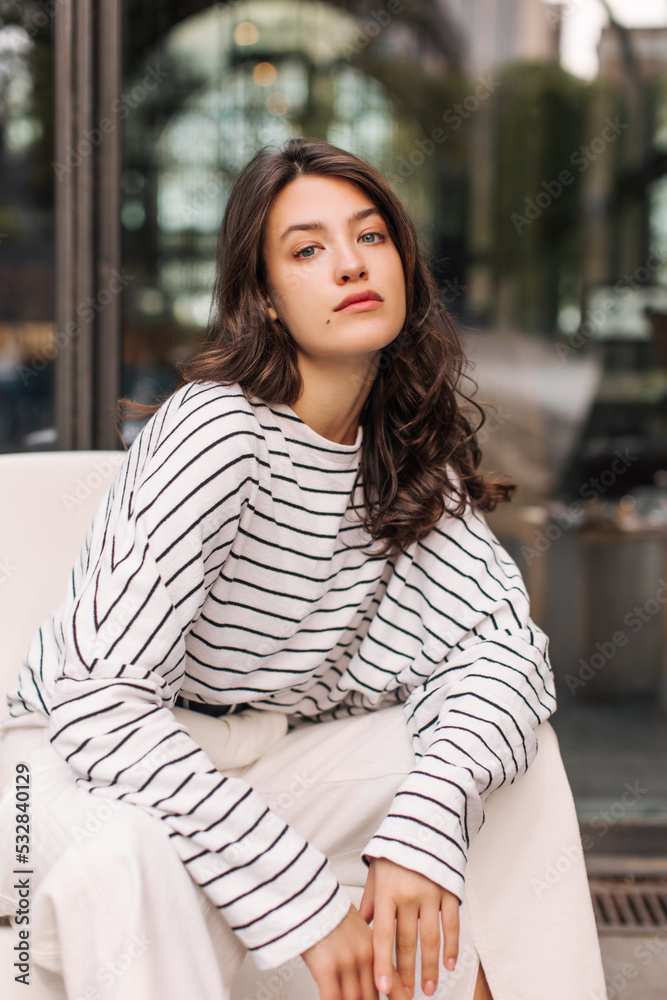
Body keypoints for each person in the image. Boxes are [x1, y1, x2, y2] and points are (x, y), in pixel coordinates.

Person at [0, 137, 607, 1000]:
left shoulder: (404, 457)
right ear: (268, 300)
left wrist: (426, 823)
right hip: (54, 773)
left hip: (253, 756)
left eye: (369, 237)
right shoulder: (214, 434)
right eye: (307, 250)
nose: (350, 266)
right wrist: (299, 897)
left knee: (506, 758)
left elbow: (501, 654)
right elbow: (98, 708)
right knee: (126, 857)